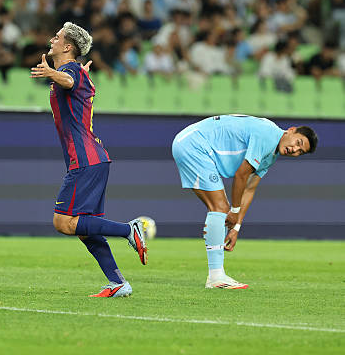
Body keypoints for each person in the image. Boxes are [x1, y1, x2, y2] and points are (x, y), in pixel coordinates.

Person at [30, 22, 147, 298]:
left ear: (68, 47)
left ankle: (128, 229)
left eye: (57, 37)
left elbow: (70, 81)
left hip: (85, 159)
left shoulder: (70, 71)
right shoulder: (74, 71)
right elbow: (74, 85)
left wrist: (52, 73)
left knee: (63, 222)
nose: (52, 39)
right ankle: (118, 282)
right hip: (91, 159)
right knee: (84, 228)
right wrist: (59, 75)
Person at [171, 115, 318, 289]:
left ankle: (216, 275)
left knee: (219, 209)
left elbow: (249, 188)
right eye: (298, 143)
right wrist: (234, 211)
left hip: (190, 143)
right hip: (193, 144)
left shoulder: (272, 154)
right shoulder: (269, 135)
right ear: (291, 130)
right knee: (221, 208)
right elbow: (241, 175)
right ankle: (216, 277)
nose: (295, 149)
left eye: (300, 152)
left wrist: (236, 227)